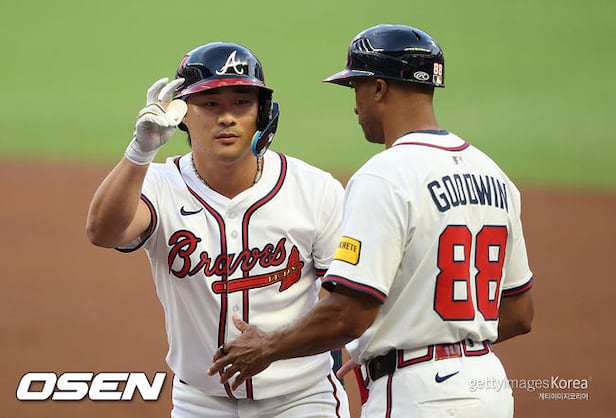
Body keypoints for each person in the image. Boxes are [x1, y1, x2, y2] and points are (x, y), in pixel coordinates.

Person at [208, 24, 534, 418]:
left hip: (419, 396)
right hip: (488, 387)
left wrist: (267, 347)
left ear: (379, 88)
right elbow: (518, 314)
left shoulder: (384, 175)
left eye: (356, 88)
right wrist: (436, 340)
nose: (355, 106)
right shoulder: (494, 175)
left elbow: (348, 314)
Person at [86, 42, 350, 418]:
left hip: (302, 398)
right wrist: (140, 151)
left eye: (241, 103)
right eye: (210, 104)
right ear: (182, 114)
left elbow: (345, 303)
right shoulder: (159, 185)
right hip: (200, 402)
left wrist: (273, 346)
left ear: (262, 113)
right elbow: (103, 232)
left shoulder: (314, 189)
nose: (226, 117)